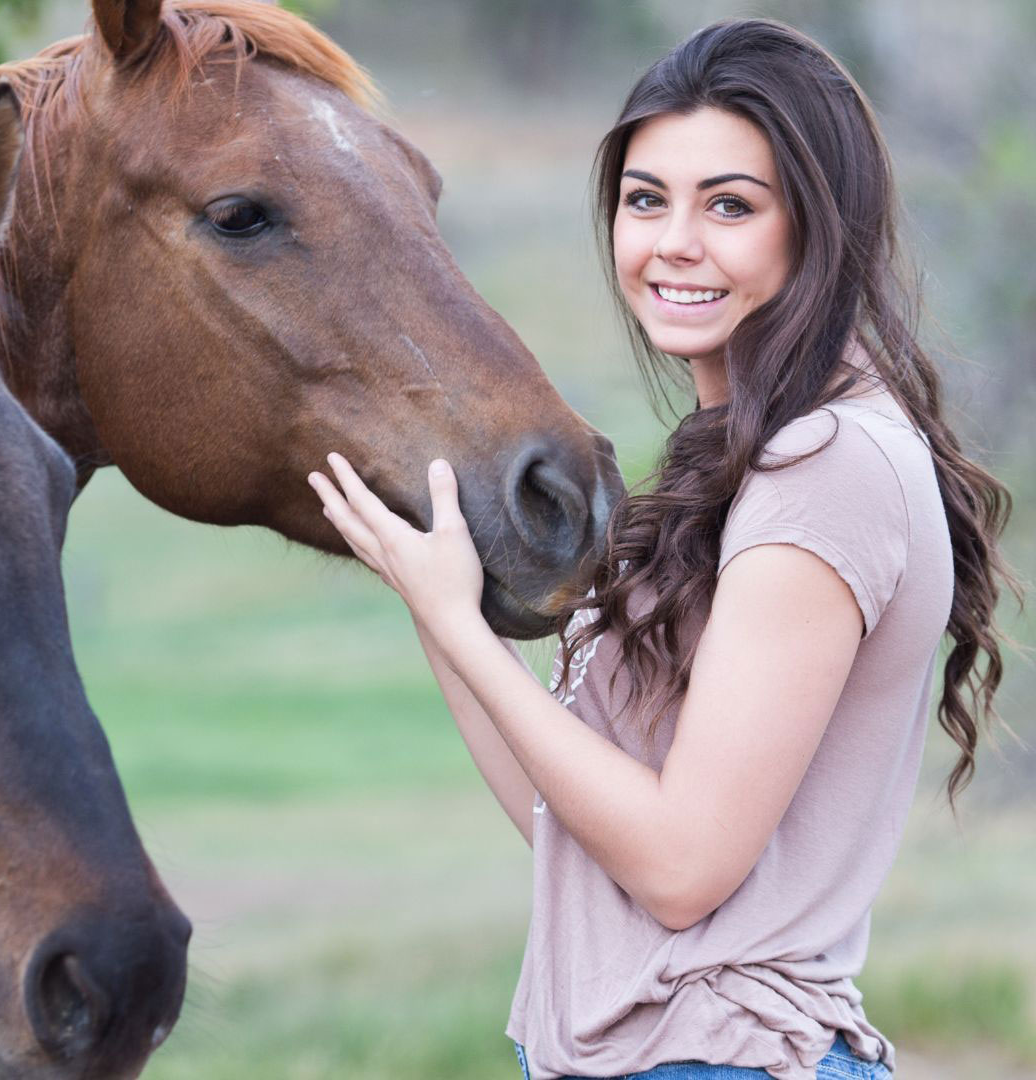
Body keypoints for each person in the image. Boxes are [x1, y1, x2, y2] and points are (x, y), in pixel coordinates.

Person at [308, 18, 1016, 1080]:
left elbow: (681, 869)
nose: (673, 243)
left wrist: (460, 619)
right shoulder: (743, 453)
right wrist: (437, 607)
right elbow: (574, 832)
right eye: (646, 200)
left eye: (730, 204)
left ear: (818, 228)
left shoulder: (826, 464)